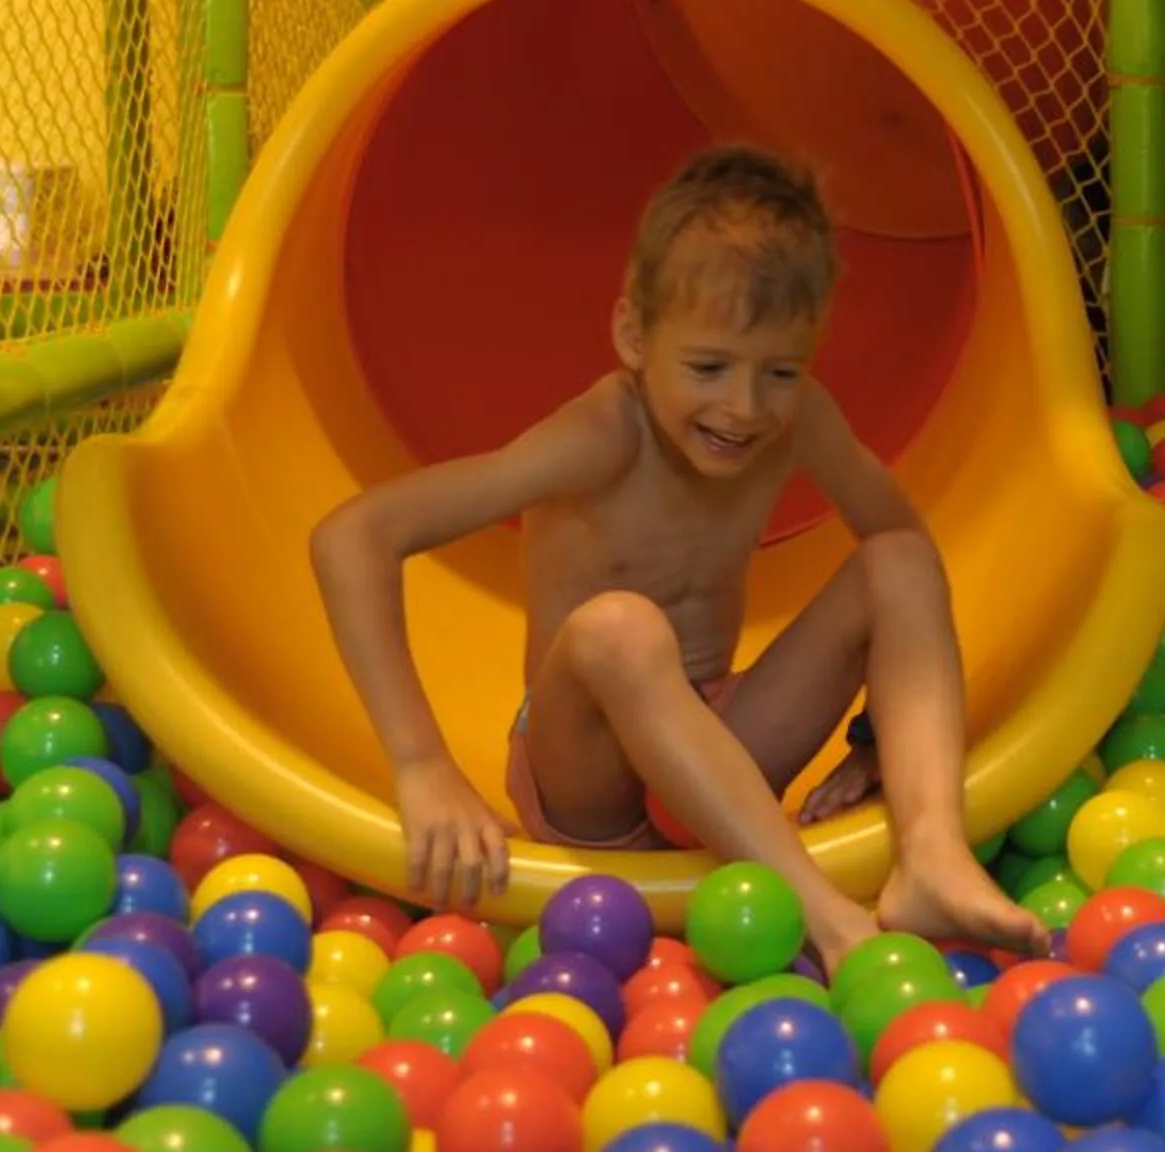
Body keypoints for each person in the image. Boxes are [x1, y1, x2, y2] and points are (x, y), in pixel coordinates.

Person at [311, 142, 1044, 972]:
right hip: (584, 776)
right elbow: (352, 536)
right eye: (708, 367)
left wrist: (883, 739)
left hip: (721, 746)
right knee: (622, 629)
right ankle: (825, 918)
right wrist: (422, 765)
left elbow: (898, 540)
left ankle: (933, 856)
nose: (743, 406)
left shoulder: (801, 420)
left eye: (780, 371)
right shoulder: (599, 438)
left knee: (900, 561)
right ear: (633, 333)